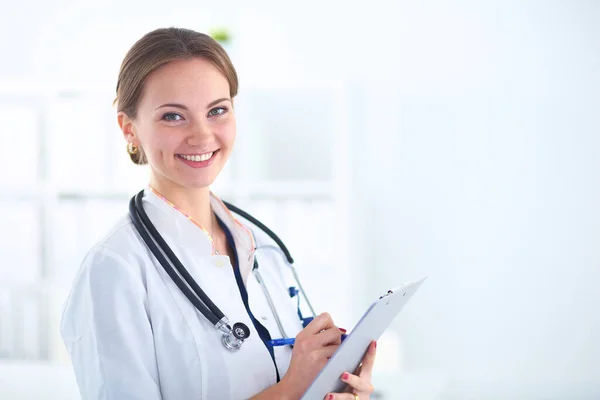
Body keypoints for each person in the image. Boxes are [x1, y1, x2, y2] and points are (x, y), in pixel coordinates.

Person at [60, 27, 377, 400]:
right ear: (129, 128)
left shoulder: (261, 247)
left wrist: (337, 387)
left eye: (217, 111)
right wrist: (291, 389)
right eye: (173, 117)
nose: (202, 135)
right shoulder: (115, 270)